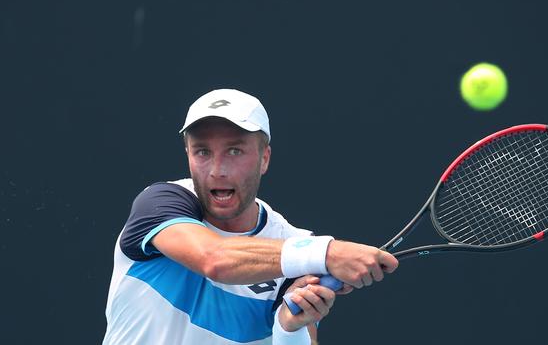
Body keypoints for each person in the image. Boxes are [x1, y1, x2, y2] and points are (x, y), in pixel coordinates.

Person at [103, 89, 399, 345]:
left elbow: (296, 335)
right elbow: (214, 259)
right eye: (202, 152)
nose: (217, 169)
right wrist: (328, 252)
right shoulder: (160, 204)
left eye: (234, 151)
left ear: (264, 158)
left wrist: (288, 326)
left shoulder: (295, 248)